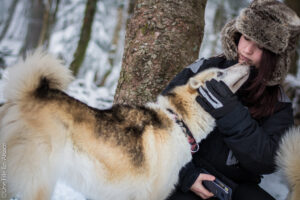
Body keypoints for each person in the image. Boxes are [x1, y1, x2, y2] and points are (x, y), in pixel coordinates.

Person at [163, 0, 300, 199]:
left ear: (275, 57)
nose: (246, 50)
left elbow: (266, 160)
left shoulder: (279, 104)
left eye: (260, 46)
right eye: (246, 37)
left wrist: (228, 110)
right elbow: (160, 123)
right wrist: (187, 175)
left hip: (233, 187)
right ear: (236, 34)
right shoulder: (204, 68)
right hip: (182, 174)